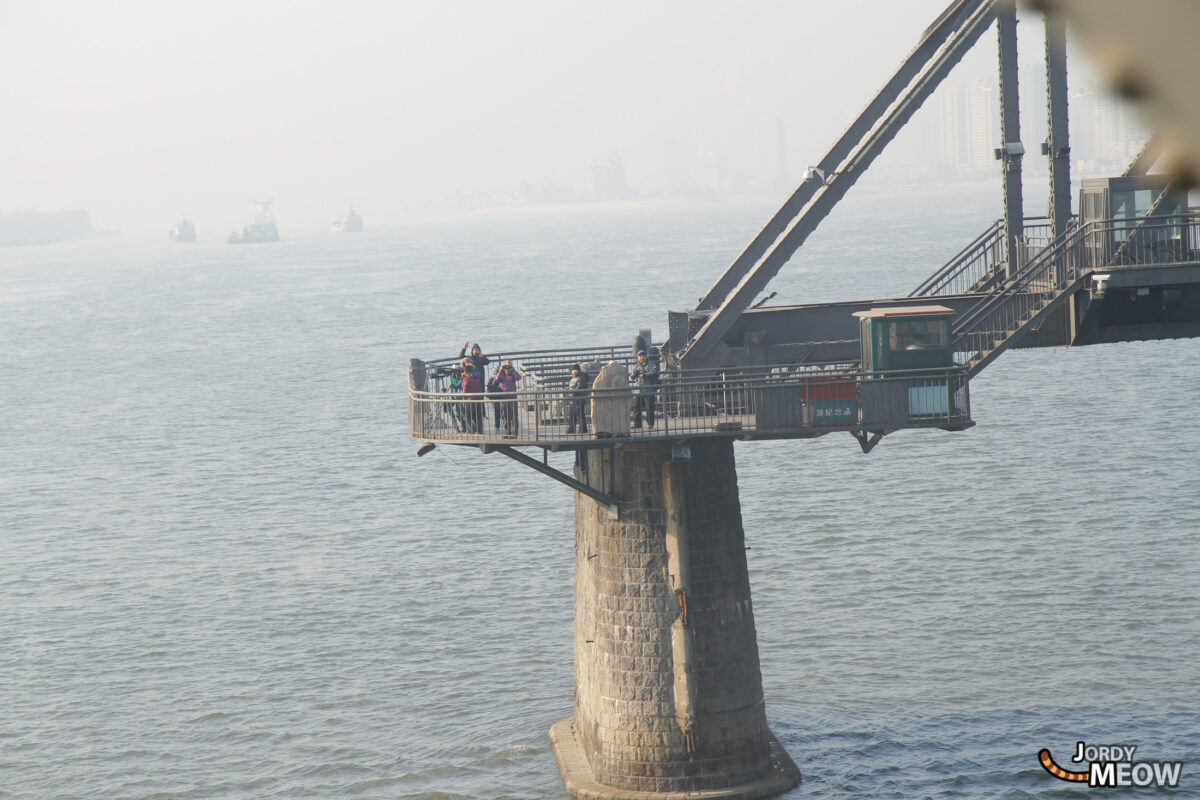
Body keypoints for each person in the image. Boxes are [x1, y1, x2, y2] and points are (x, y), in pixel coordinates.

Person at [630, 349, 660, 429]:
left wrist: (645, 375)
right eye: (640, 356)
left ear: (646, 357)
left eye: (643, 356)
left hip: (648, 390)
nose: (641, 358)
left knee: (649, 408)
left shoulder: (651, 364)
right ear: (638, 357)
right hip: (638, 390)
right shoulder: (636, 366)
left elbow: (654, 371)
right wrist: (633, 374)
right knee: (636, 408)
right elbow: (632, 376)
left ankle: (650, 424)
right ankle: (637, 424)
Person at [491, 359, 522, 436]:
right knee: (505, 416)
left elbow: (518, 377)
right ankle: (507, 432)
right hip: (504, 399)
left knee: (514, 416)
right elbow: (496, 380)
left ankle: (514, 432)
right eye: (506, 368)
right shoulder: (502, 375)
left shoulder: (513, 375)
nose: (507, 370)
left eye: (509, 368)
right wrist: (500, 370)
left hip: (513, 398)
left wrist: (513, 370)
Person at [566, 363, 590, 434]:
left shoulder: (581, 378)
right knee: (572, 415)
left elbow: (580, 388)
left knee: (580, 415)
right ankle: (571, 428)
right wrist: (568, 389)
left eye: (574, 371)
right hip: (573, 399)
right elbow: (573, 387)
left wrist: (571, 392)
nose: (573, 372)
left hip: (578, 399)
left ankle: (583, 429)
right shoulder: (575, 377)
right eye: (573, 371)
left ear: (578, 371)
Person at [461, 364, 485, 433]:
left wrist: (465, 398)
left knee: (468, 416)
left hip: (470, 400)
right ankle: (480, 430)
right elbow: (480, 388)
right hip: (479, 400)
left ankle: (471, 430)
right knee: (478, 416)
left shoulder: (466, 379)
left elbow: (465, 391)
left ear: (466, 372)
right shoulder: (477, 379)